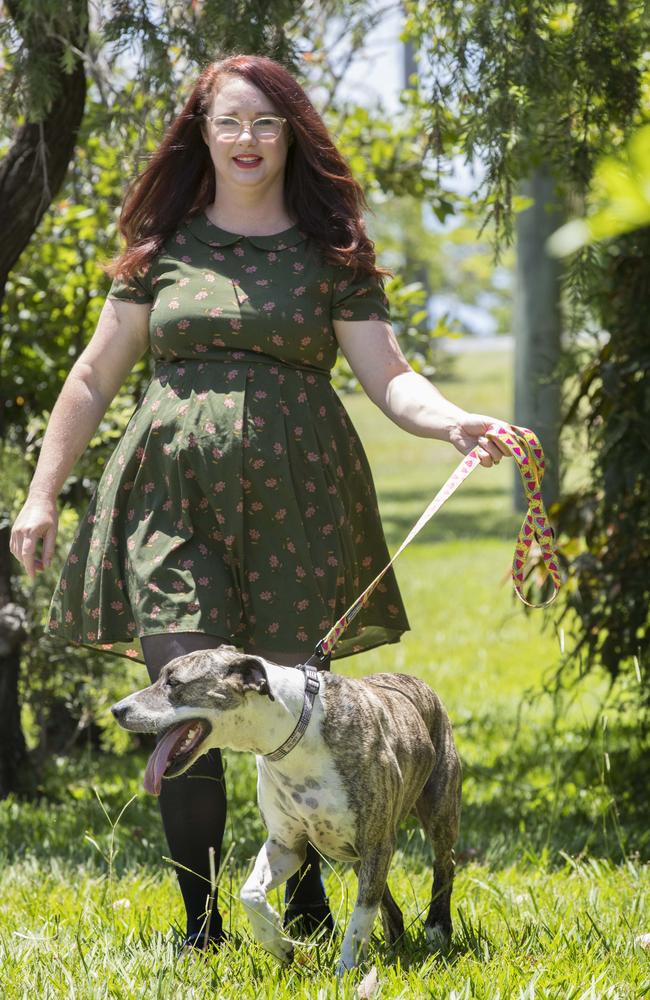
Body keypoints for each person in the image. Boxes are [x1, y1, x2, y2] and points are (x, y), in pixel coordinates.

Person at [10, 53, 511, 954]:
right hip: (169, 501)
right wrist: (41, 496)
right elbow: (92, 375)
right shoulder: (162, 246)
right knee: (188, 700)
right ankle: (202, 927)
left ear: (292, 134)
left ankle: (309, 898)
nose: (247, 140)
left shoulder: (332, 252)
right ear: (201, 132)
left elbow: (389, 376)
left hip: (301, 502)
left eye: (266, 123)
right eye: (229, 122)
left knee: (291, 711)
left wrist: (453, 424)